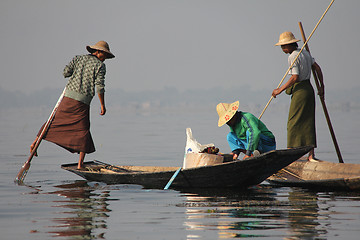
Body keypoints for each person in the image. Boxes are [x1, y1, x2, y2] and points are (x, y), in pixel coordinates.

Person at [30, 41, 115, 169]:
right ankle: (80, 164)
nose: (105, 59)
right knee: (83, 131)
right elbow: (100, 86)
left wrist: (76, 72)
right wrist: (102, 105)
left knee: (53, 121)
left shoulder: (78, 59)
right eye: (105, 56)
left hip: (68, 98)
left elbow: (65, 73)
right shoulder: (100, 66)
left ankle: (35, 142)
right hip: (82, 102)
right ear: (98, 52)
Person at [272, 32, 324, 161]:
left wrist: (279, 90)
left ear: (290, 45)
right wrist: (322, 86)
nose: (283, 49)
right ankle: (311, 155)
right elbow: (317, 68)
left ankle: (290, 155)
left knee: (293, 122)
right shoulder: (305, 52)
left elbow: (295, 77)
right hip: (309, 90)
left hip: (300, 91)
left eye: (284, 46)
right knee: (308, 122)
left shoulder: (293, 56)